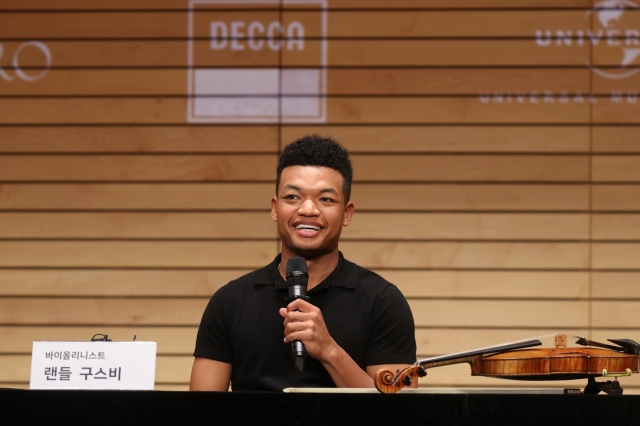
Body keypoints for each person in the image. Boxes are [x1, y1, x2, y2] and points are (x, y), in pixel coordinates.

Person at [190, 135, 416, 391]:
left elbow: (402, 412)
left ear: (347, 213)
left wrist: (329, 350)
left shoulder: (383, 301)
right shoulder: (230, 301)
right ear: (275, 209)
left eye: (326, 199)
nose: (308, 210)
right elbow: (200, 412)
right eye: (293, 197)